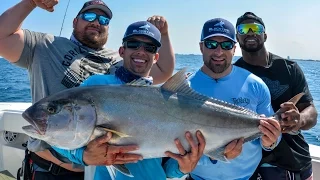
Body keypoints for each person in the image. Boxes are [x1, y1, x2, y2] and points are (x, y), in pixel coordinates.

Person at [0, 0, 176, 179]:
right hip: (50, 168)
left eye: (104, 20)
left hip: (94, 170)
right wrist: (30, 3)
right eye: (89, 16)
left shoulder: (118, 60)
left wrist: (163, 34)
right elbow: (2, 37)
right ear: (75, 21)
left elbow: (162, 71)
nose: (97, 22)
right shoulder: (45, 45)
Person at [52, 20, 206, 180]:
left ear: (156, 57)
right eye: (134, 44)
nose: (141, 51)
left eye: (149, 48)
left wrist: (183, 167)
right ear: (121, 51)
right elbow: (54, 138)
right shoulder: (96, 86)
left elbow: (167, 169)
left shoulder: (163, 98)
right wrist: (83, 155)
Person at [185, 18, 282, 180]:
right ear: (201, 47)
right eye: (211, 44)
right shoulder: (185, 88)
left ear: (234, 48)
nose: (218, 52)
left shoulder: (255, 85)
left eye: (226, 45)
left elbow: (272, 140)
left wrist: (270, 140)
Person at [234, 12, 318, 180]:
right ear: (237, 37)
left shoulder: (289, 68)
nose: (250, 32)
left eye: (255, 28)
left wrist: (298, 120)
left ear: (264, 35)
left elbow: (311, 112)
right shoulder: (233, 75)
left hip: (294, 161)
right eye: (243, 29)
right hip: (251, 167)